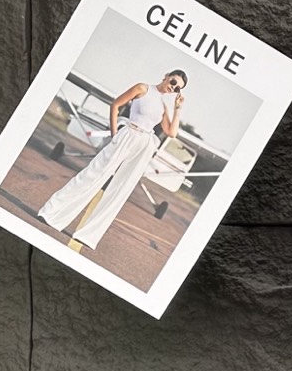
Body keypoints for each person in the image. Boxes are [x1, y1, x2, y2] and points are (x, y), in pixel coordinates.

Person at [38, 69, 187, 249]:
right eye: (173, 82)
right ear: (166, 76)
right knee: (92, 174)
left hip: (145, 144)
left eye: (177, 88)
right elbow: (116, 105)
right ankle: (51, 214)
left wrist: (177, 109)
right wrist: (114, 133)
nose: (173, 87)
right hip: (128, 134)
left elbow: (171, 132)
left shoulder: (164, 107)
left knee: (121, 189)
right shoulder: (143, 88)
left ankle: (88, 236)